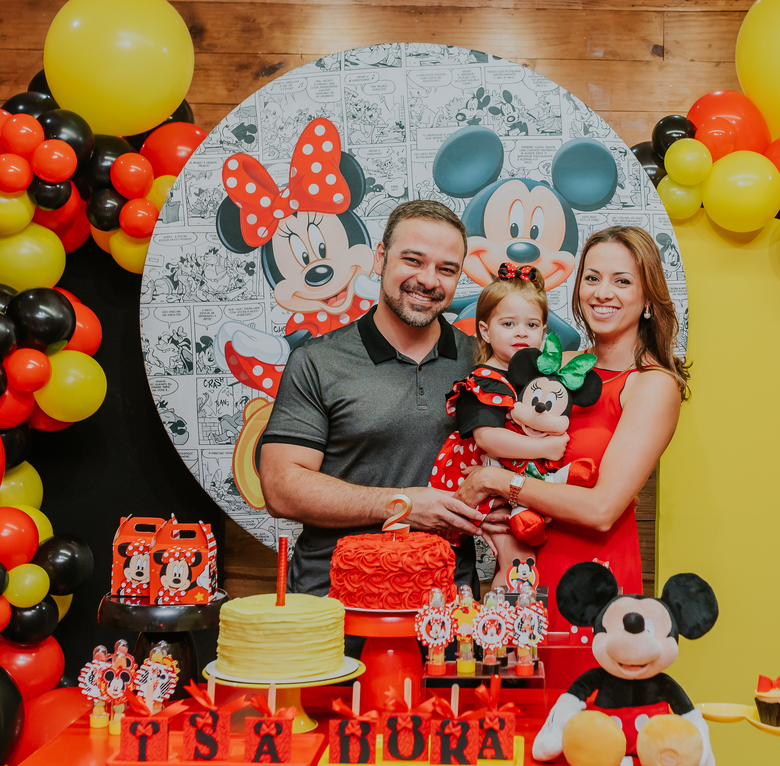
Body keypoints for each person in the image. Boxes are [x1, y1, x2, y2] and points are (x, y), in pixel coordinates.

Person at [258, 200, 509, 600]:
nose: (428, 280)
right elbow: (280, 487)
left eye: (447, 269)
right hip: (335, 598)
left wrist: (502, 503)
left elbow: (512, 459)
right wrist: (402, 503)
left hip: (445, 602)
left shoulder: (481, 363)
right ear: (379, 258)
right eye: (413, 260)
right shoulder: (318, 361)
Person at [455, 225, 690, 628]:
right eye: (592, 278)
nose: (602, 292)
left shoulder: (651, 385)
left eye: (622, 281)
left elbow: (601, 509)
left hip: (591, 577)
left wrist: (497, 484)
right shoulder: (555, 365)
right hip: (519, 570)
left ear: (648, 297)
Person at [428, 263, 568, 591]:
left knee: (519, 557)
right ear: (485, 331)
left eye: (531, 324)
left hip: (509, 485)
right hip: (476, 482)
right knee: (519, 561)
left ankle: (503, 623)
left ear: (543, 333)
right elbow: (488, 438)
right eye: (508, 324)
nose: (521, 332)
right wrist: (544, 448)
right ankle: (505, 630)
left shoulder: (534, 383)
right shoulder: (484, 382)